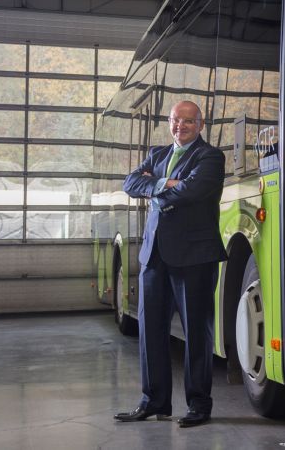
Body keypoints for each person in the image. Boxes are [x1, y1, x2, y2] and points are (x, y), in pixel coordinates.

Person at [114, 100, 226, 428]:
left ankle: (199, 405)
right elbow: (130, 183)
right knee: (151, 332)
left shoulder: (210, 157)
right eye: (177, 121)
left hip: (194, 258)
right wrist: (166, 184)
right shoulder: (157, 154)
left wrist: (156, 188)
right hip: (154, 257)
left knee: (196, 333)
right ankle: (154, 402)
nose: (181, 127)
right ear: (169, 121)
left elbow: (192, 192)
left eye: (189, 122)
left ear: (200, 125)